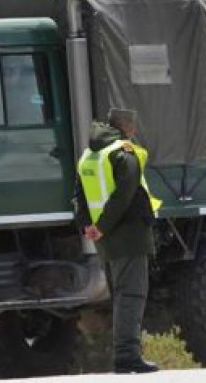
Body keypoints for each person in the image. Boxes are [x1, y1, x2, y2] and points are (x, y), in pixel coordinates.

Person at [74, 108, 162, 374]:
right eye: (133, 126)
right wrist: (100, 226)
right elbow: (125, 193)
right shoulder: (124, 151)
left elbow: (78, 194)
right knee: (132, 294)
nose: (135, 131)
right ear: (127, 127)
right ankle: (127, 356)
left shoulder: (90, 154)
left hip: (105, 240)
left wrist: (88, 226)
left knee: (121, 295)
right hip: (129, 236)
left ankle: (125, 353)